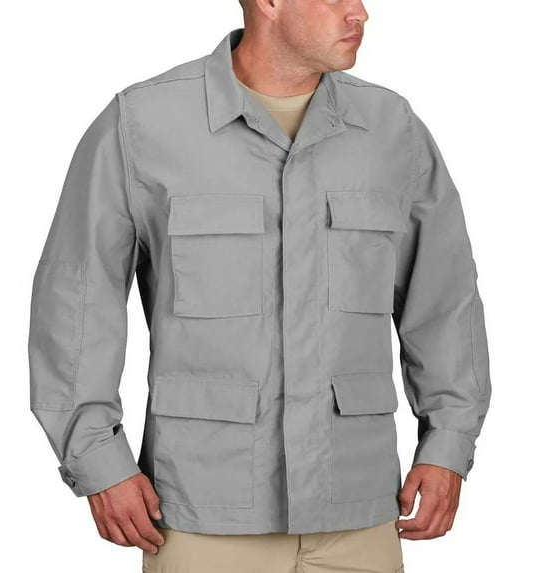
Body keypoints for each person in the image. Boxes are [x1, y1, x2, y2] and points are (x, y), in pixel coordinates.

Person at [27, 1, 492, 572]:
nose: (361, 12)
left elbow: (444, 300)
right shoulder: (143, 125)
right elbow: (75, 301)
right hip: (203, 515)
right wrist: (99, 461)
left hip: (360, 510)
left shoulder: (391, 129)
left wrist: (448, 444)